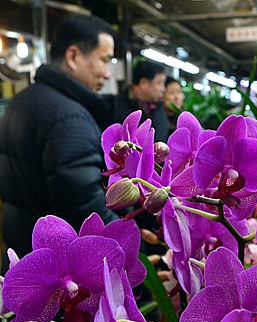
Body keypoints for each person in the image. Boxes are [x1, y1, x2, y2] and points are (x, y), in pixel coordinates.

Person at [0, 14, 118, 264]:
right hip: (60, 272)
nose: (108, 74)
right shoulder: (69, 118)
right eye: (104, 60)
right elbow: (84, 207)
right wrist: (124, 249)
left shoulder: (21, 101)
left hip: (24, 254)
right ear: (74, 56)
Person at [108, 60, 171, 141]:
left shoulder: (159, 111)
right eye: (159, 83)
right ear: (143, 83)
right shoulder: (115, 106)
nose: (163, 89)